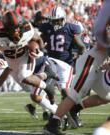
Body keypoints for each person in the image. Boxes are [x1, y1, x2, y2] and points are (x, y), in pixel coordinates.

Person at [43, 1, 110, 135]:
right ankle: (52, 124)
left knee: (107, 96)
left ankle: (75, 109)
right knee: (74, 94)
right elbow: (102, 40)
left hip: (98, 65)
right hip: (90, 62)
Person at [0, 10, 59, 102]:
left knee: (24, 76)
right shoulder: (0, 36)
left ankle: (48, 88)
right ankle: (47, 78)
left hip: (25, 56)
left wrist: (41, 50)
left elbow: (38, 39)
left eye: (17, 27)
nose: (16, 31)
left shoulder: (26, 30)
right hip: (11, 61)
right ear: (6, 29)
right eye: (13, 28)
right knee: (27, 87)